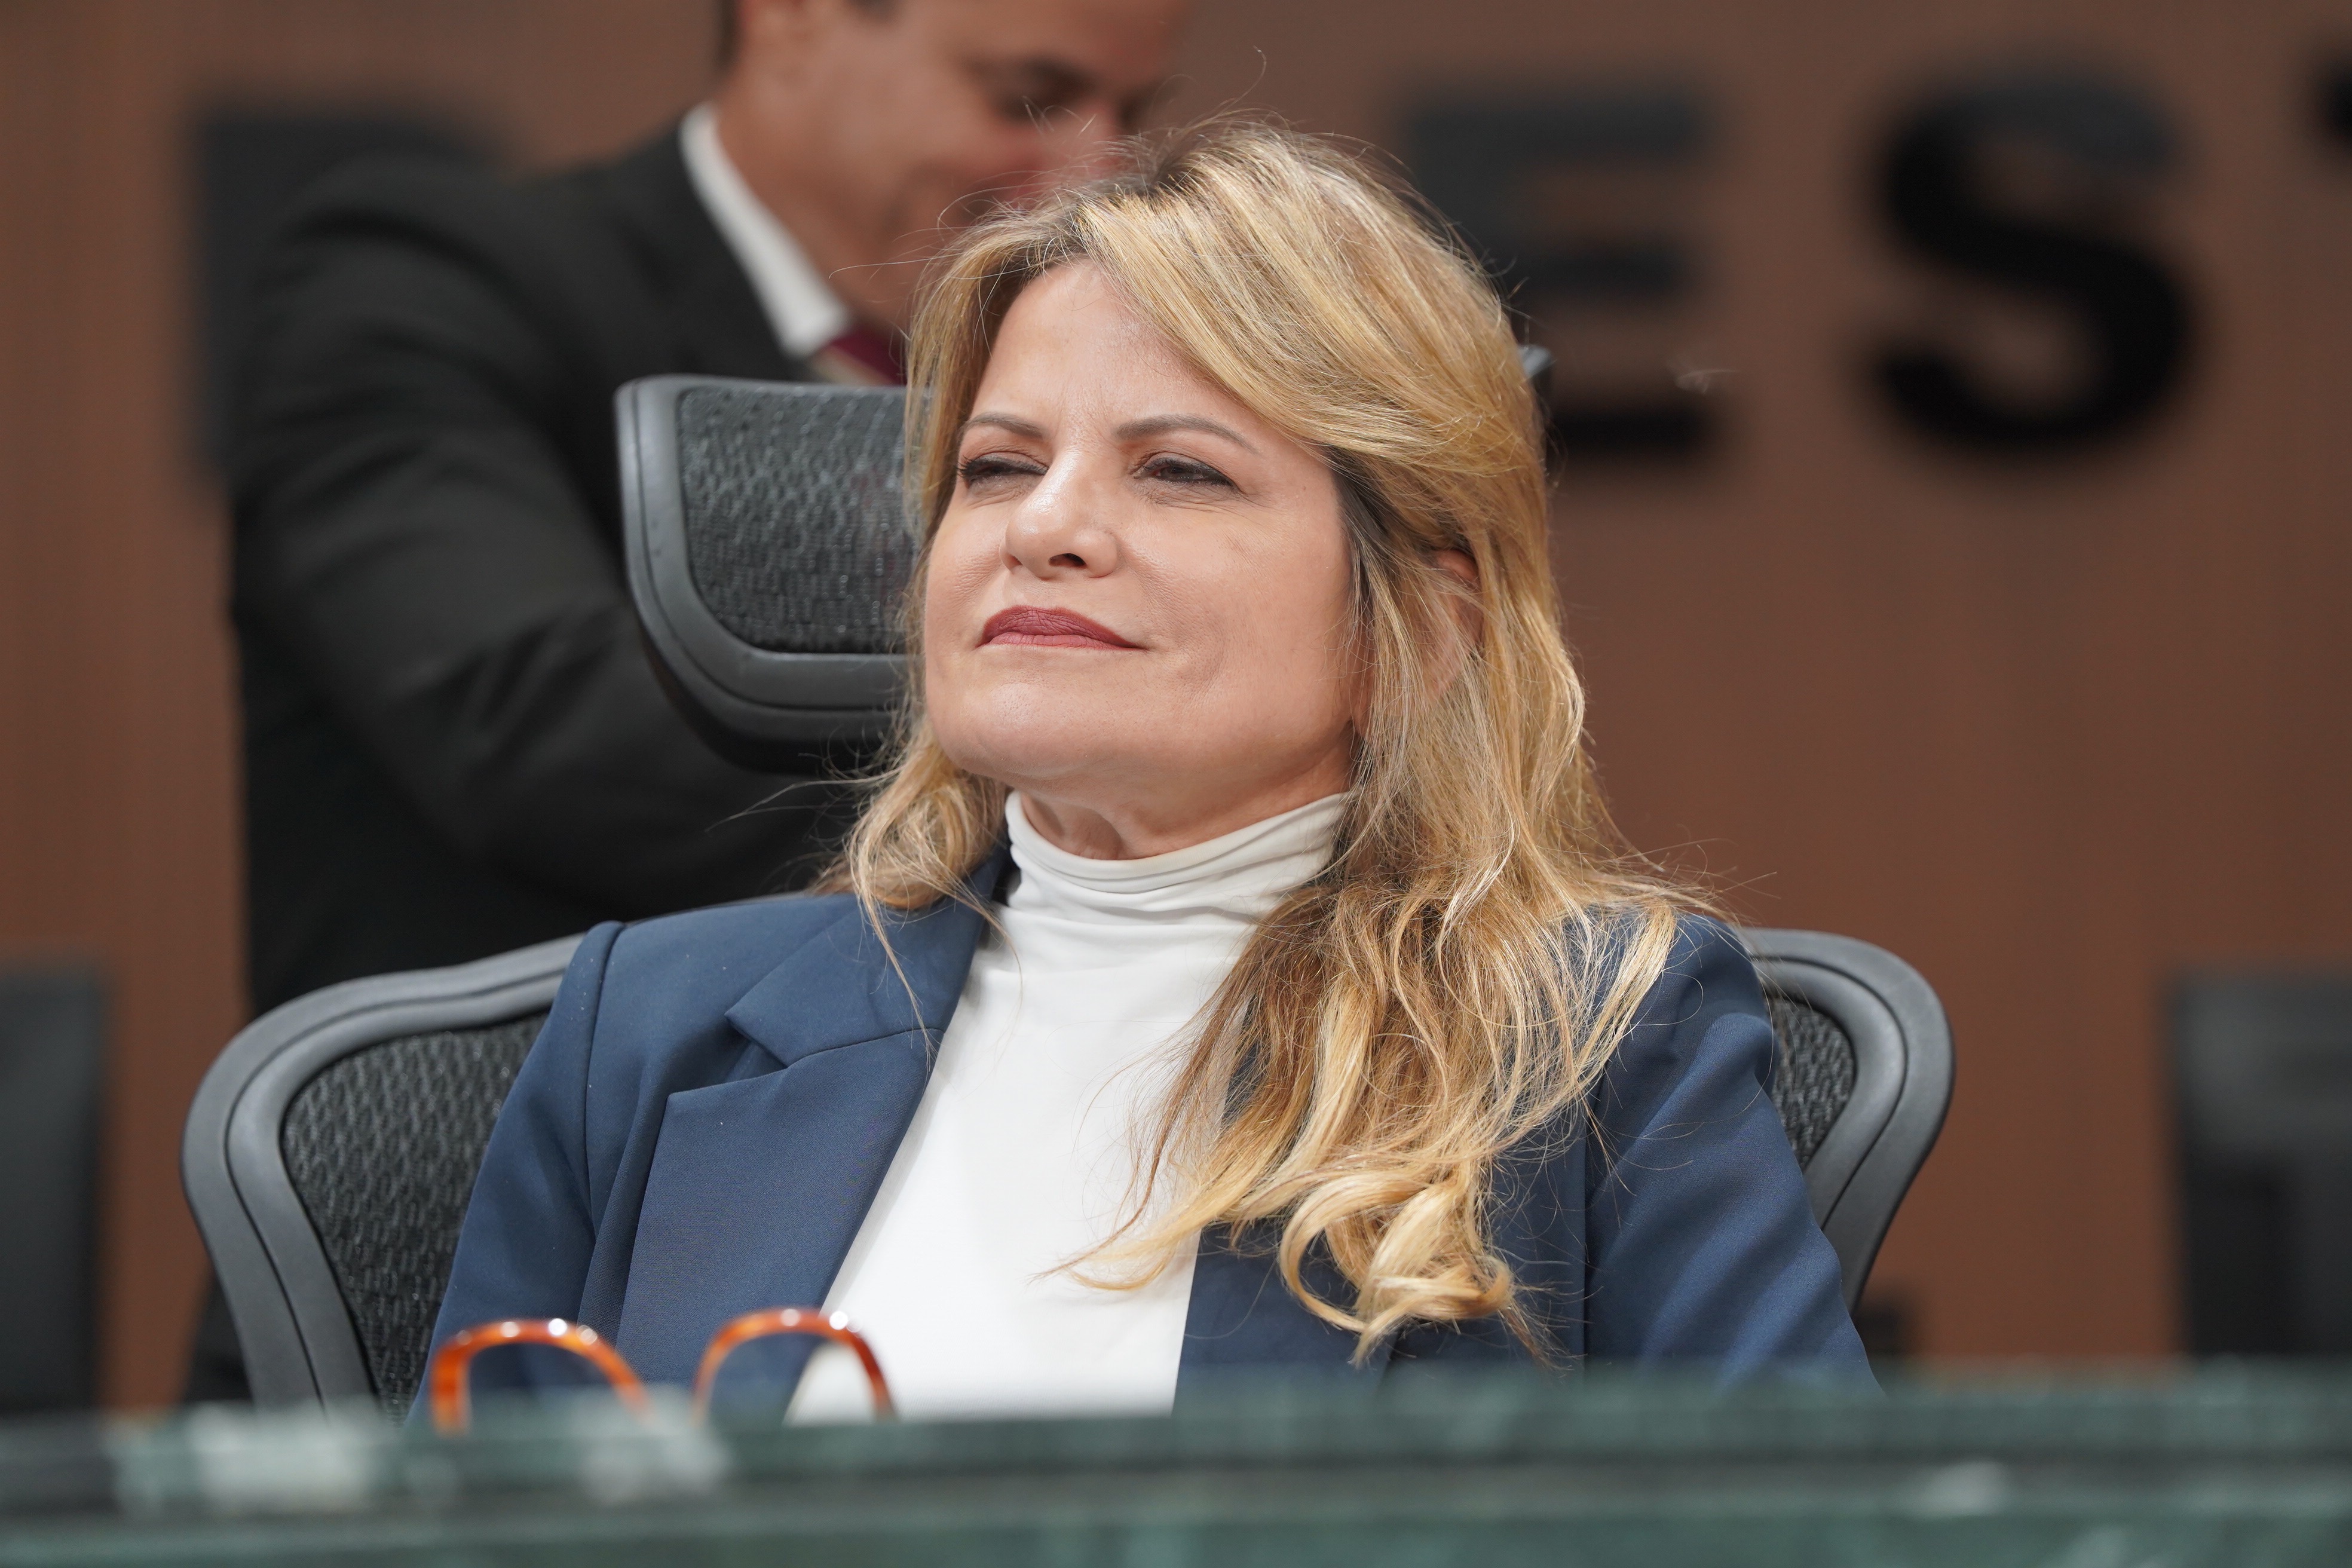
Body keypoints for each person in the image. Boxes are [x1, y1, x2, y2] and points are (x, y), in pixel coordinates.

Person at [427, 120, 1868, 1419]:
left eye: (1178, 470)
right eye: (996, 467)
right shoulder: (645, 1031)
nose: (1041, 527)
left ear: (1419, 629)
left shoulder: (1594, 1048)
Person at [201, 0, 1186, 1401]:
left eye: (1130, 114)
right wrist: (1100, 785)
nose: (1092, 168)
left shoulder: (1089, 351)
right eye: (1027, 94)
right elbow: (536, 725)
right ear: (794, 19)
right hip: (480, 1306)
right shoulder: (432, 282)